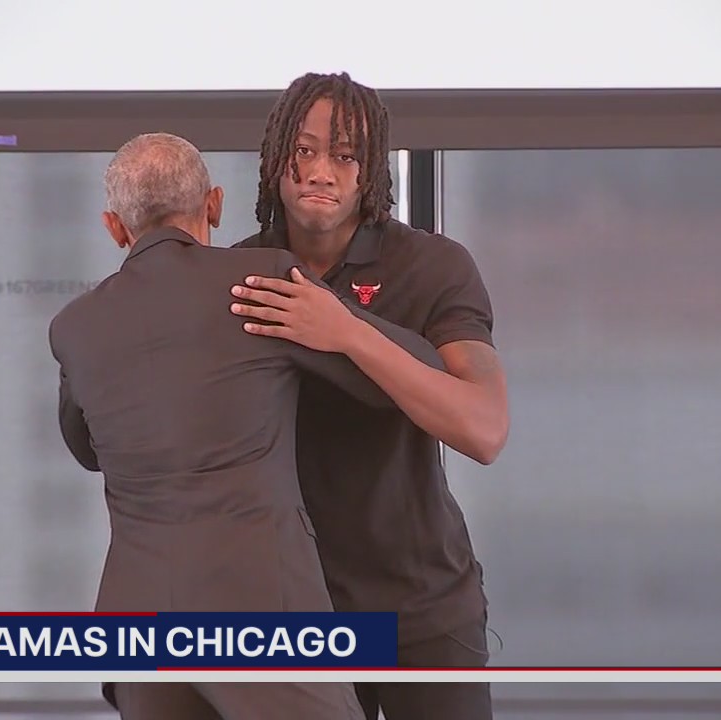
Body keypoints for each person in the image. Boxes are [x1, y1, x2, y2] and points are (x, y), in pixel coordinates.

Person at [47, 133, 446, 720]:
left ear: (114, 227)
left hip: (137, 624)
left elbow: (86, 448)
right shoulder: (261, 284)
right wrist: (344, 326)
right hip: (260, 609)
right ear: (213, 205)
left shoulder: (75, 327)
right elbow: (416, 374)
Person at [229, 72, 510, 720]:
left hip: (424, 605)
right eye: (304, 151)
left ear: (369, 171)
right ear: (276, 162)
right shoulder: (241, 275)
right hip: (298, 615)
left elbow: (485, 429)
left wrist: (345, 333)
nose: (321, 170)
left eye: (344, 154)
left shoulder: (434, 267)